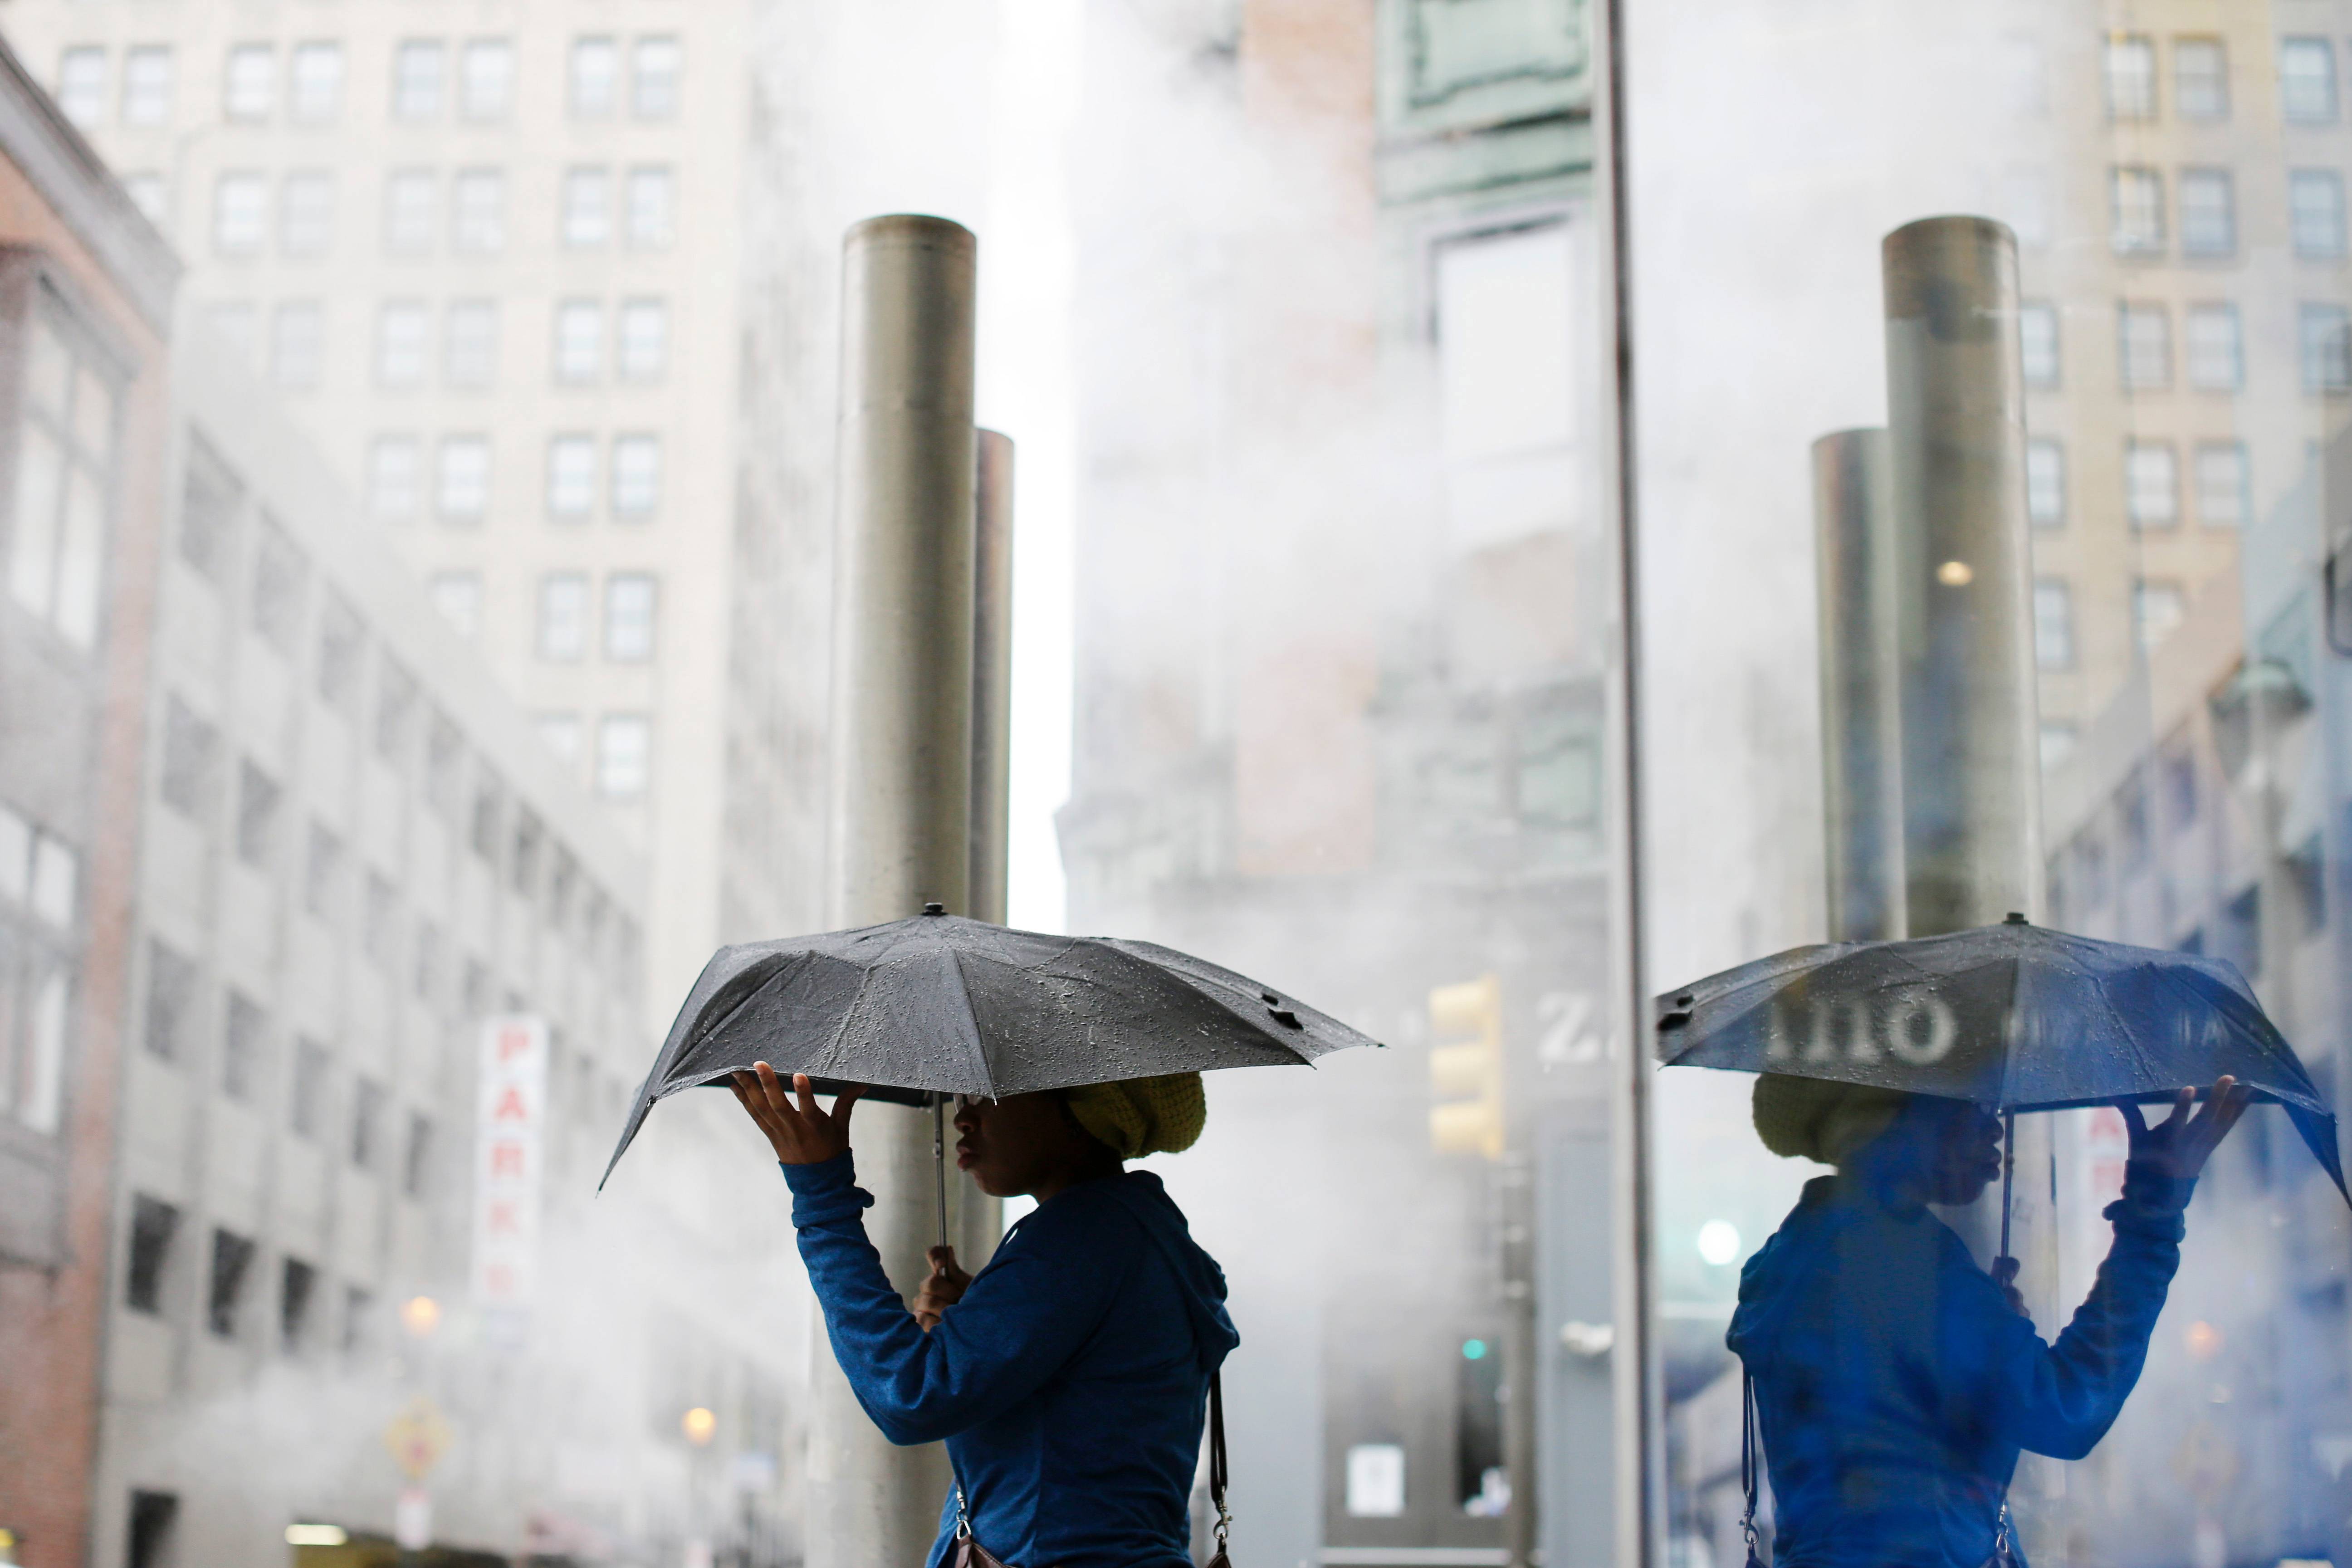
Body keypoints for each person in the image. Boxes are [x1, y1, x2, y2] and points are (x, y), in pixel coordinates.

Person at [1726, 1073, 2249, 1568]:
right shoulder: (1902, 1258)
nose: (1994, 1125)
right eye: (1969, 1102)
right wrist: (2152, 1209)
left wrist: (1981, 1336)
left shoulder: (1792, 1256)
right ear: (1892, 1117)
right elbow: (2067, 1408)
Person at [730, 1061, 1237, 1568]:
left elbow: (909, 1396)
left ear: (1080, 1108)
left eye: (988, 1093)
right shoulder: (1147, 1235)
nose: (962, 1117)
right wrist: (983, 1317)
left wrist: (821, 1193)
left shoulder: (1078, 1240)